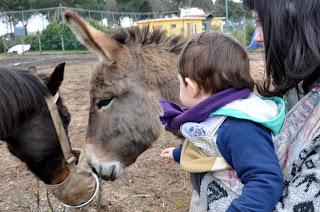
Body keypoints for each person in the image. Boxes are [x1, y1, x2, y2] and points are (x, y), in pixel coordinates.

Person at [160, 31, 285, 211]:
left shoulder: (239, 128)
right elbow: (209, 144)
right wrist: (178, 153)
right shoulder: (219, 113)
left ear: (192, 87)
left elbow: (265, 180)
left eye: (180, 82)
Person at [242, 0, 320, 211]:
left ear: (294, 19)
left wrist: (208, 177)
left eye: (260, 24)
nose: (257, 38)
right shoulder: (298, 92)